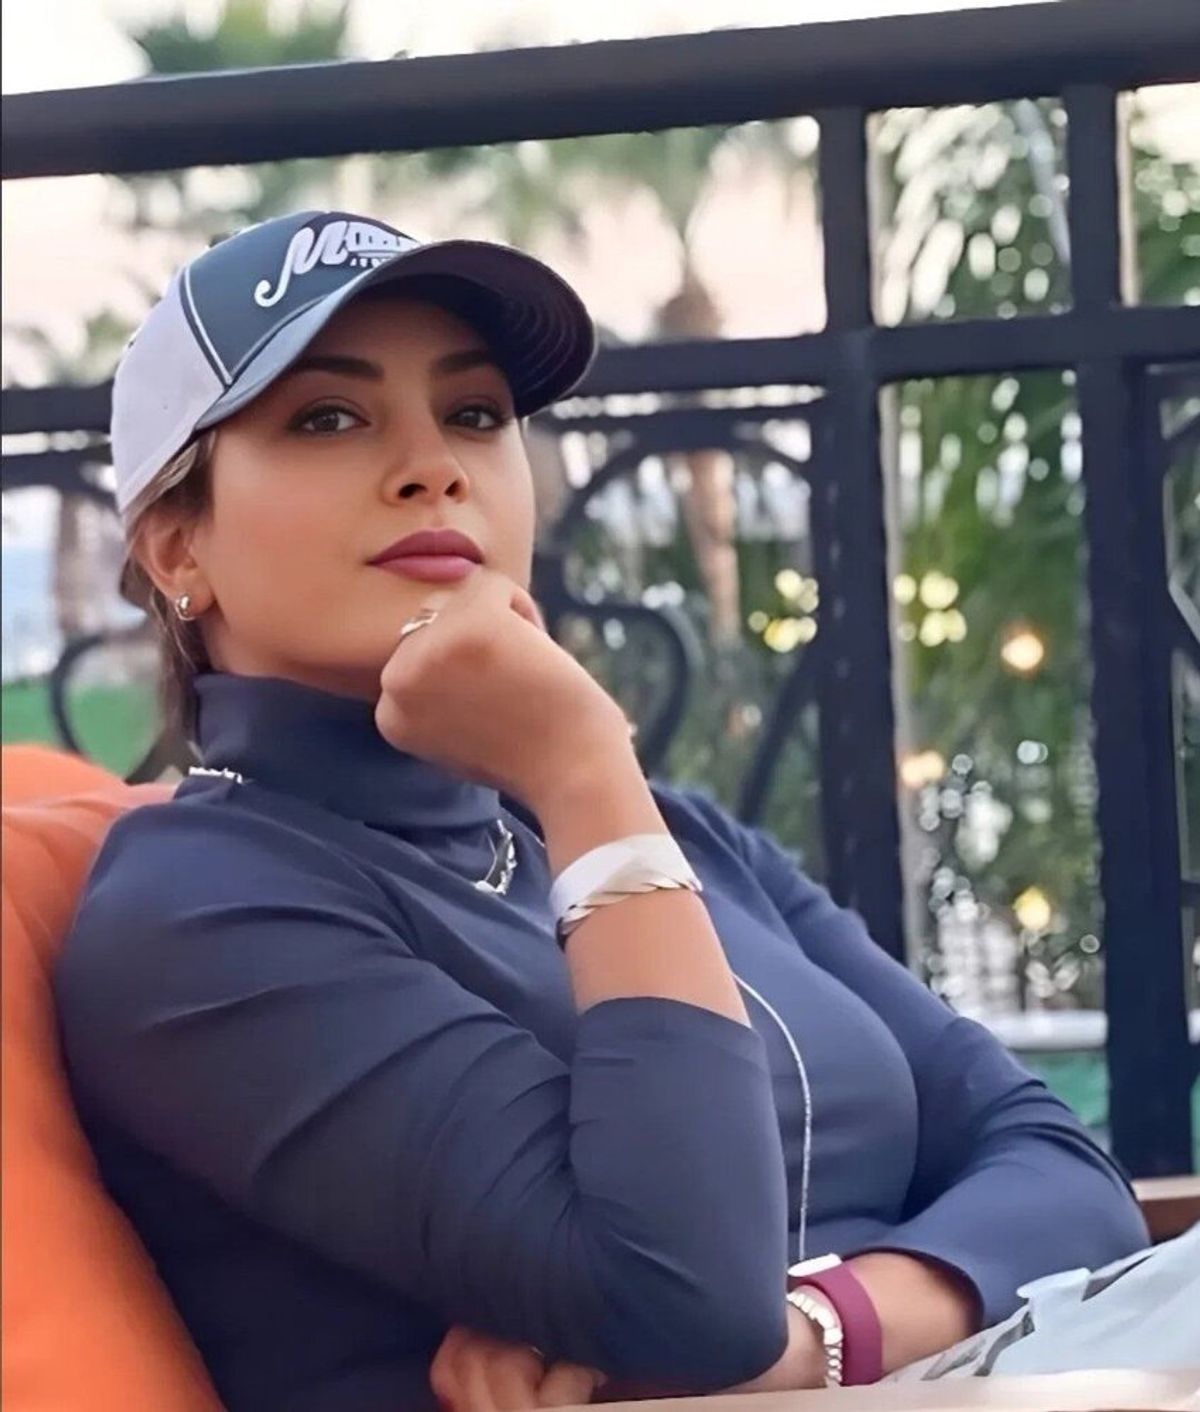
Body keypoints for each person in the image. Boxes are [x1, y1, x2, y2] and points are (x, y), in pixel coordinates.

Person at [55, 210, 1148, 1412]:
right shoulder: (199, 910)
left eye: (475, 412)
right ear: (177, 548)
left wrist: (823, 1326)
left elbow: (1064, 1162)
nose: (434, 465)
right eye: (328, 417)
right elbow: (686, 1292)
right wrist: (581, 767)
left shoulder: (671, 834)